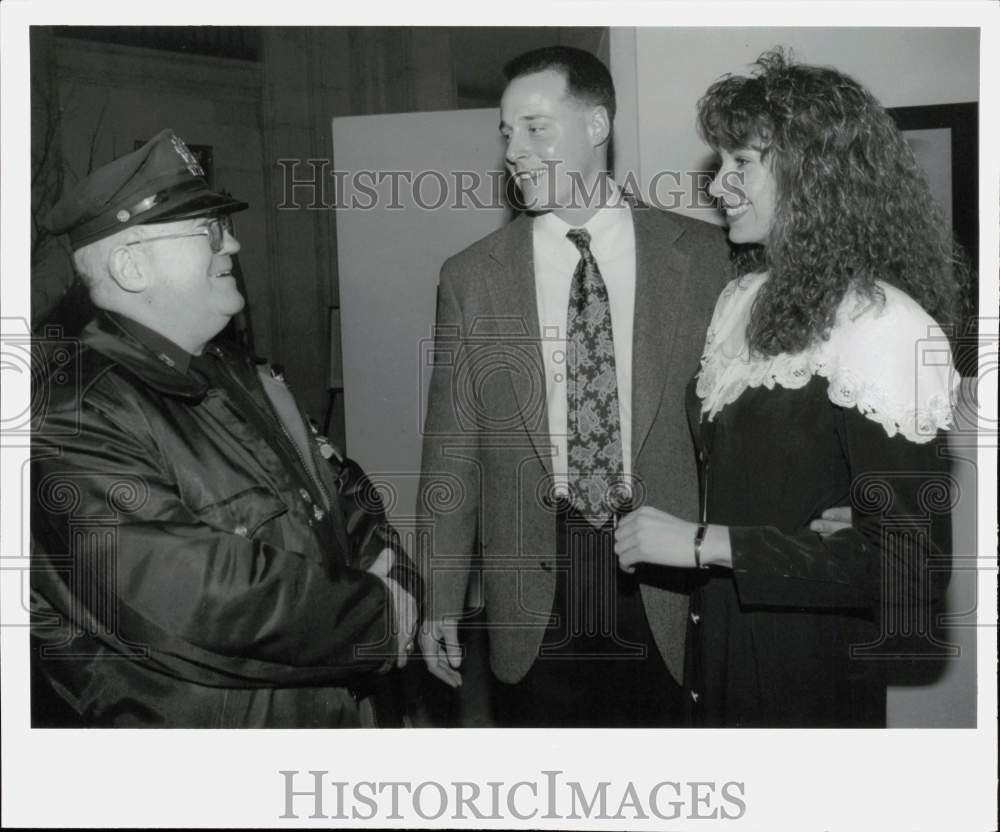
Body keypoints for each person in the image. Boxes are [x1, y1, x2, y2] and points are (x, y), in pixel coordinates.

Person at [615, 49, 962, 727]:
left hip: (806, 674)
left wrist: (702, 544)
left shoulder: (884, 325)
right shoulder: (742, 298)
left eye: (741, 163)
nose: (718, 187)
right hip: (714, 650)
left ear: (816, 177)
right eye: (721, 165)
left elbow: (913, 574)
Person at [31, 129, 420, 727]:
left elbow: (341, 490)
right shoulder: (73, 413)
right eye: (207, 232)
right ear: (132, 266)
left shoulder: (235, 370)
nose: (233, 244)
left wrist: (401, 577)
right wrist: (376, 616)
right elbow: (190, 594)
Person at [417, 46, 732, 726]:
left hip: (667, 574)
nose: (515, 151)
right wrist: (439, 593)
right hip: (534, 578)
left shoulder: (707, 260)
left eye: (536, 128)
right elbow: (452, 447)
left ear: (596, 127)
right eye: (507, 133)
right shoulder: (472, 277)